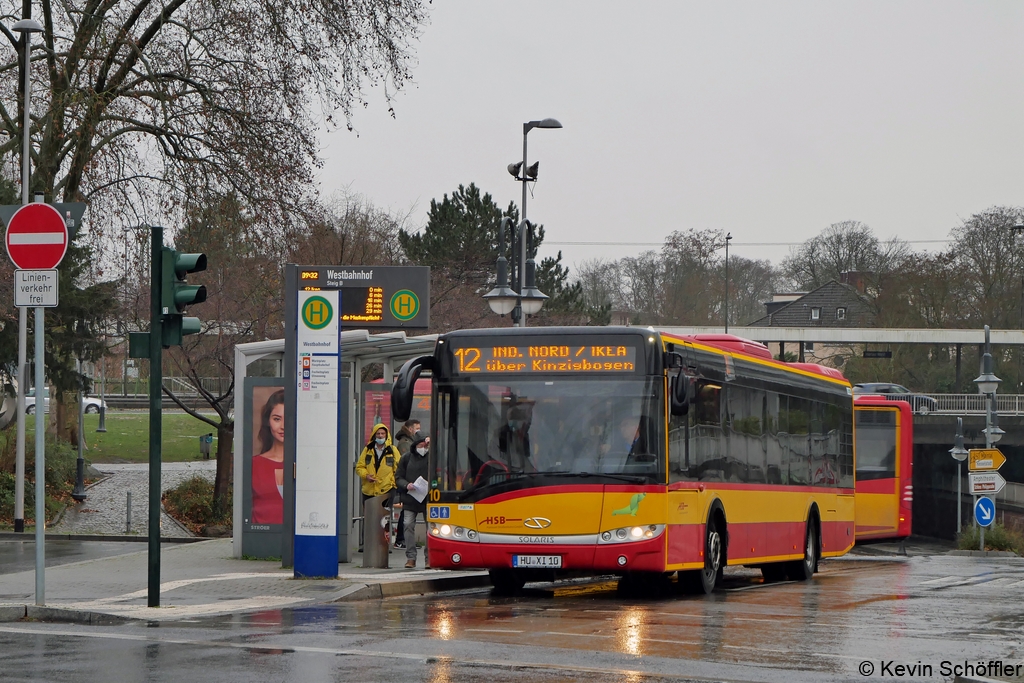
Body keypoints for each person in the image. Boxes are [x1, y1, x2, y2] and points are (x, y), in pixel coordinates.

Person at [355, 423, 398, 548]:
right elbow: (359, 467)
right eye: (378, 434)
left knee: (385, 518)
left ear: (386, 435)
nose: (380, 436)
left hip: (386, 489)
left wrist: (393, 483)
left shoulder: (392, 450)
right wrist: (366, 475)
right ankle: (367, 544)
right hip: (369, 490)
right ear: (374, 435)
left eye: (382, 434)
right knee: (369, 517)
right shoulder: (367, 449)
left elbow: (398, 468)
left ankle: (384, 544)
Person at [395, 432, 431, 569]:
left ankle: (429, 558)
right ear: (415, 445)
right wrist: (406, 485)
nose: (424, 447)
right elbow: (398, 477)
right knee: (408, 525)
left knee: (431, 530)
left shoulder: (432, 457)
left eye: (425, 444)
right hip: (411, 498)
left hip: (428, 499)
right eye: (421, 444)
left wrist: (431, 444)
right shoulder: (406, 458)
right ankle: (411, 557)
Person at [252, 389, 285, 525]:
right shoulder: (254, 464)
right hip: (262, 541)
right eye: (277, 419)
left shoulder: (308, 465)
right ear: (268, 421)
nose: (283, 426)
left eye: (289, 418)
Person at [391, 419, 420, 548]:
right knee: (407, 510)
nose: (418, 431)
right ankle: (401, 539)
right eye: (417, 428)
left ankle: (405, 539)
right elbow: (408, 462)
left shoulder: (410, 442)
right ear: (410, 429)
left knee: (408, 510)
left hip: (411, 483)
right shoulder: (405, 443)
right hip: (407, 483)